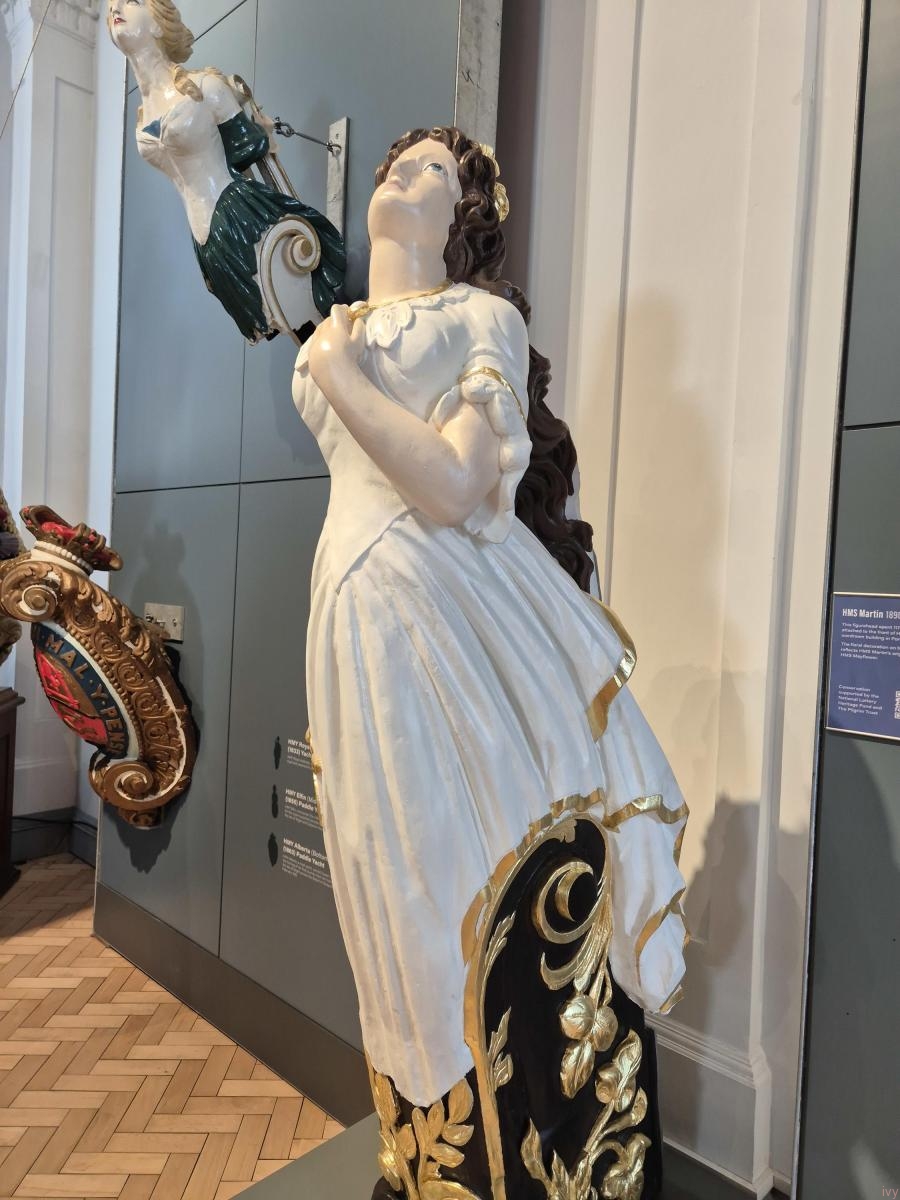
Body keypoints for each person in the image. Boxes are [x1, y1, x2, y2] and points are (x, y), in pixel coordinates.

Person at [293, 127, 688, 1196]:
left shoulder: (479, 318)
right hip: (354, 618)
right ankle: (430, 1156)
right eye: (397, 159)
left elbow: (456, 487)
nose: (401, 172)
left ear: (465, 216)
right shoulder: (343, 324)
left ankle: (525, 1156)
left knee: (467, 896)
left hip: (454, 619)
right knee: (388, 900)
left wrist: (335, 368)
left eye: (432, 167)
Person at [107, 0, 345, 341]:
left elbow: (252, 148)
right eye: (111, 6)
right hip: (205, 242)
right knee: (287, 327)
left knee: (303, 314)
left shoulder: (206, 88)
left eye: (130, 1)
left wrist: (263, 132)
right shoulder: (142, 118)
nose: (115, 7)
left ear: (158, 24)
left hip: (238, 213)